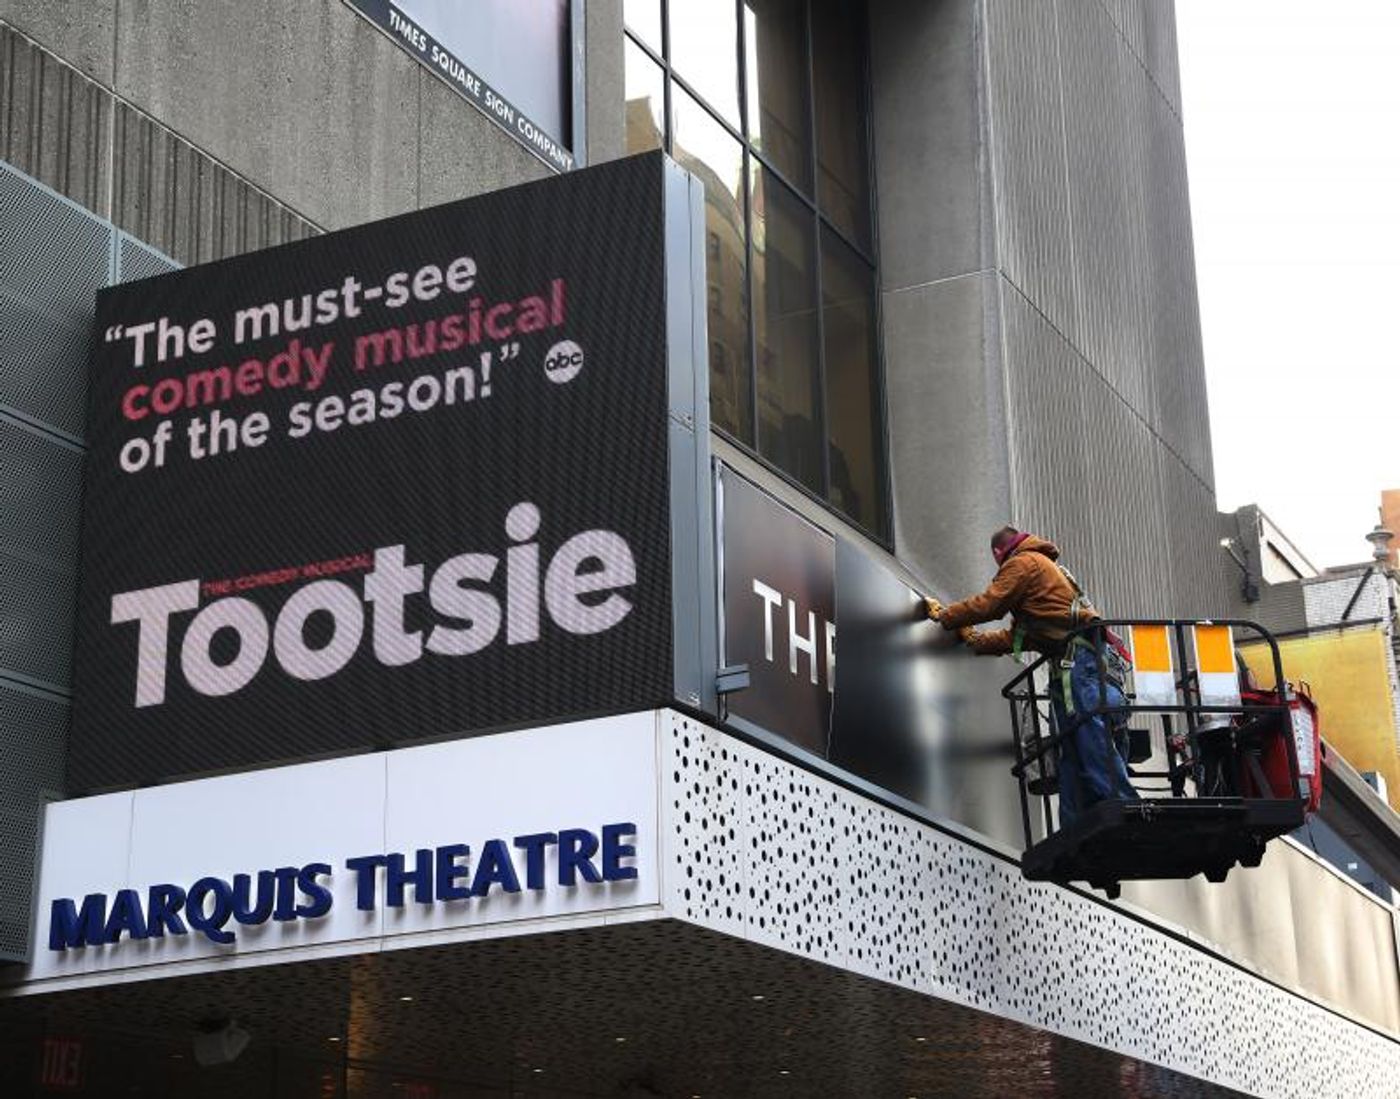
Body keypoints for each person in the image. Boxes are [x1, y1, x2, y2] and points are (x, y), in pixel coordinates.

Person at [925, 526, 1137, 826]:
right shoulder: (1040, 589)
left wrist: (947, 616)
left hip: (1078, 664)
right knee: (1071, 743)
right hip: (1074, 665)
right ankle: (1080, 819)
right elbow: (1015, 638)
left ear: (999, 554)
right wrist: (973, 639)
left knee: (1087, 734)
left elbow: (991, 604)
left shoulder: (1024, 563)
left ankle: (1120, 804)